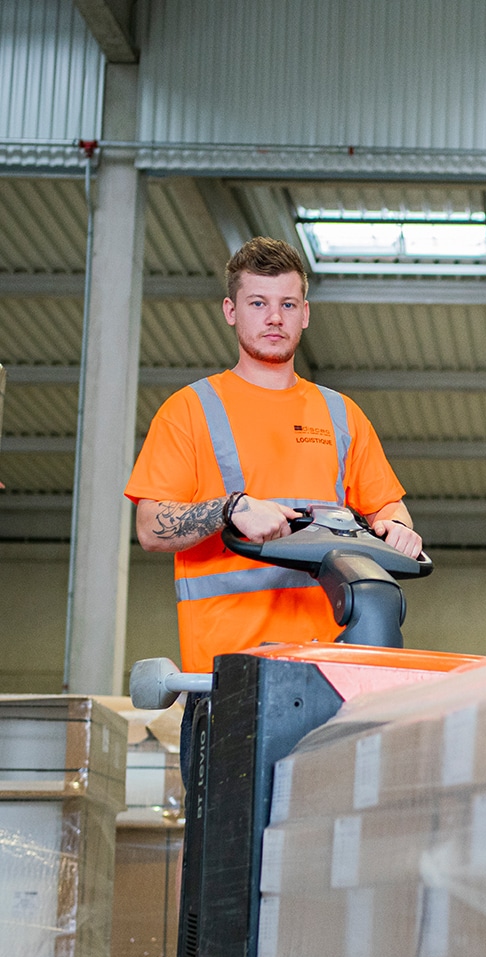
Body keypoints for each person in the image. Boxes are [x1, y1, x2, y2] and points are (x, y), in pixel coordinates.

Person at [126, 236, 423, 679]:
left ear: (304, 314)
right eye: (258, 303)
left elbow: (387, 506)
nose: (273, 318)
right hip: (225, 675)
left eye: (287, 305)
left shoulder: (341, 414)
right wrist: (231, 509)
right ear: (231, 311)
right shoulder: (190, 409)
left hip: (330, 668)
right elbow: (150, 527)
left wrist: (399, 529)